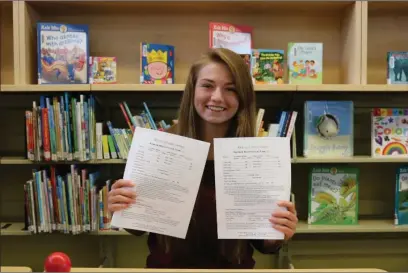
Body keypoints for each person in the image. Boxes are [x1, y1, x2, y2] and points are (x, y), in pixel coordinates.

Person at [107, 48, 298, 269]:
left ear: (243, 96)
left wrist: (278, 231)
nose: (217, 97)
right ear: (192, 90)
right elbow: (138, 228)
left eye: (231, 89)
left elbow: (263, 244)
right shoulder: (161, 147)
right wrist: (120, 206)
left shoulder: (255, 157)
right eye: (207, 85)